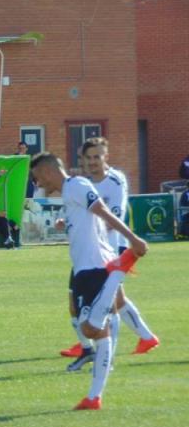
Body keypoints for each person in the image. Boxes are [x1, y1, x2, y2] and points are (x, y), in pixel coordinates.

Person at [30, 152, 148, 410]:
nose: (38, 183)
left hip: (95, 267)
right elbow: (89, 221)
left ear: (48, 172)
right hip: (85, 268)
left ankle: (120, 269)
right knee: (100, 333)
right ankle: (94, 397)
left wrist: (132, 238)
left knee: (90, 329)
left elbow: (101, 211)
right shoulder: (69, 193)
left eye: (38, 178)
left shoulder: (77, 185)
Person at [60, 138, 159, 364]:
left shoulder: (116, 180)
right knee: (106, 299)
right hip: (91, 250)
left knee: (110, 303)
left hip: (112, 248)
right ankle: (144, 338)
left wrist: (84, 226)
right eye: (88, 157)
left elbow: (113, 216)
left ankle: (105, 355)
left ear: (106, 157)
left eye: (97, 157)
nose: (93, 162)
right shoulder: (83, 183)